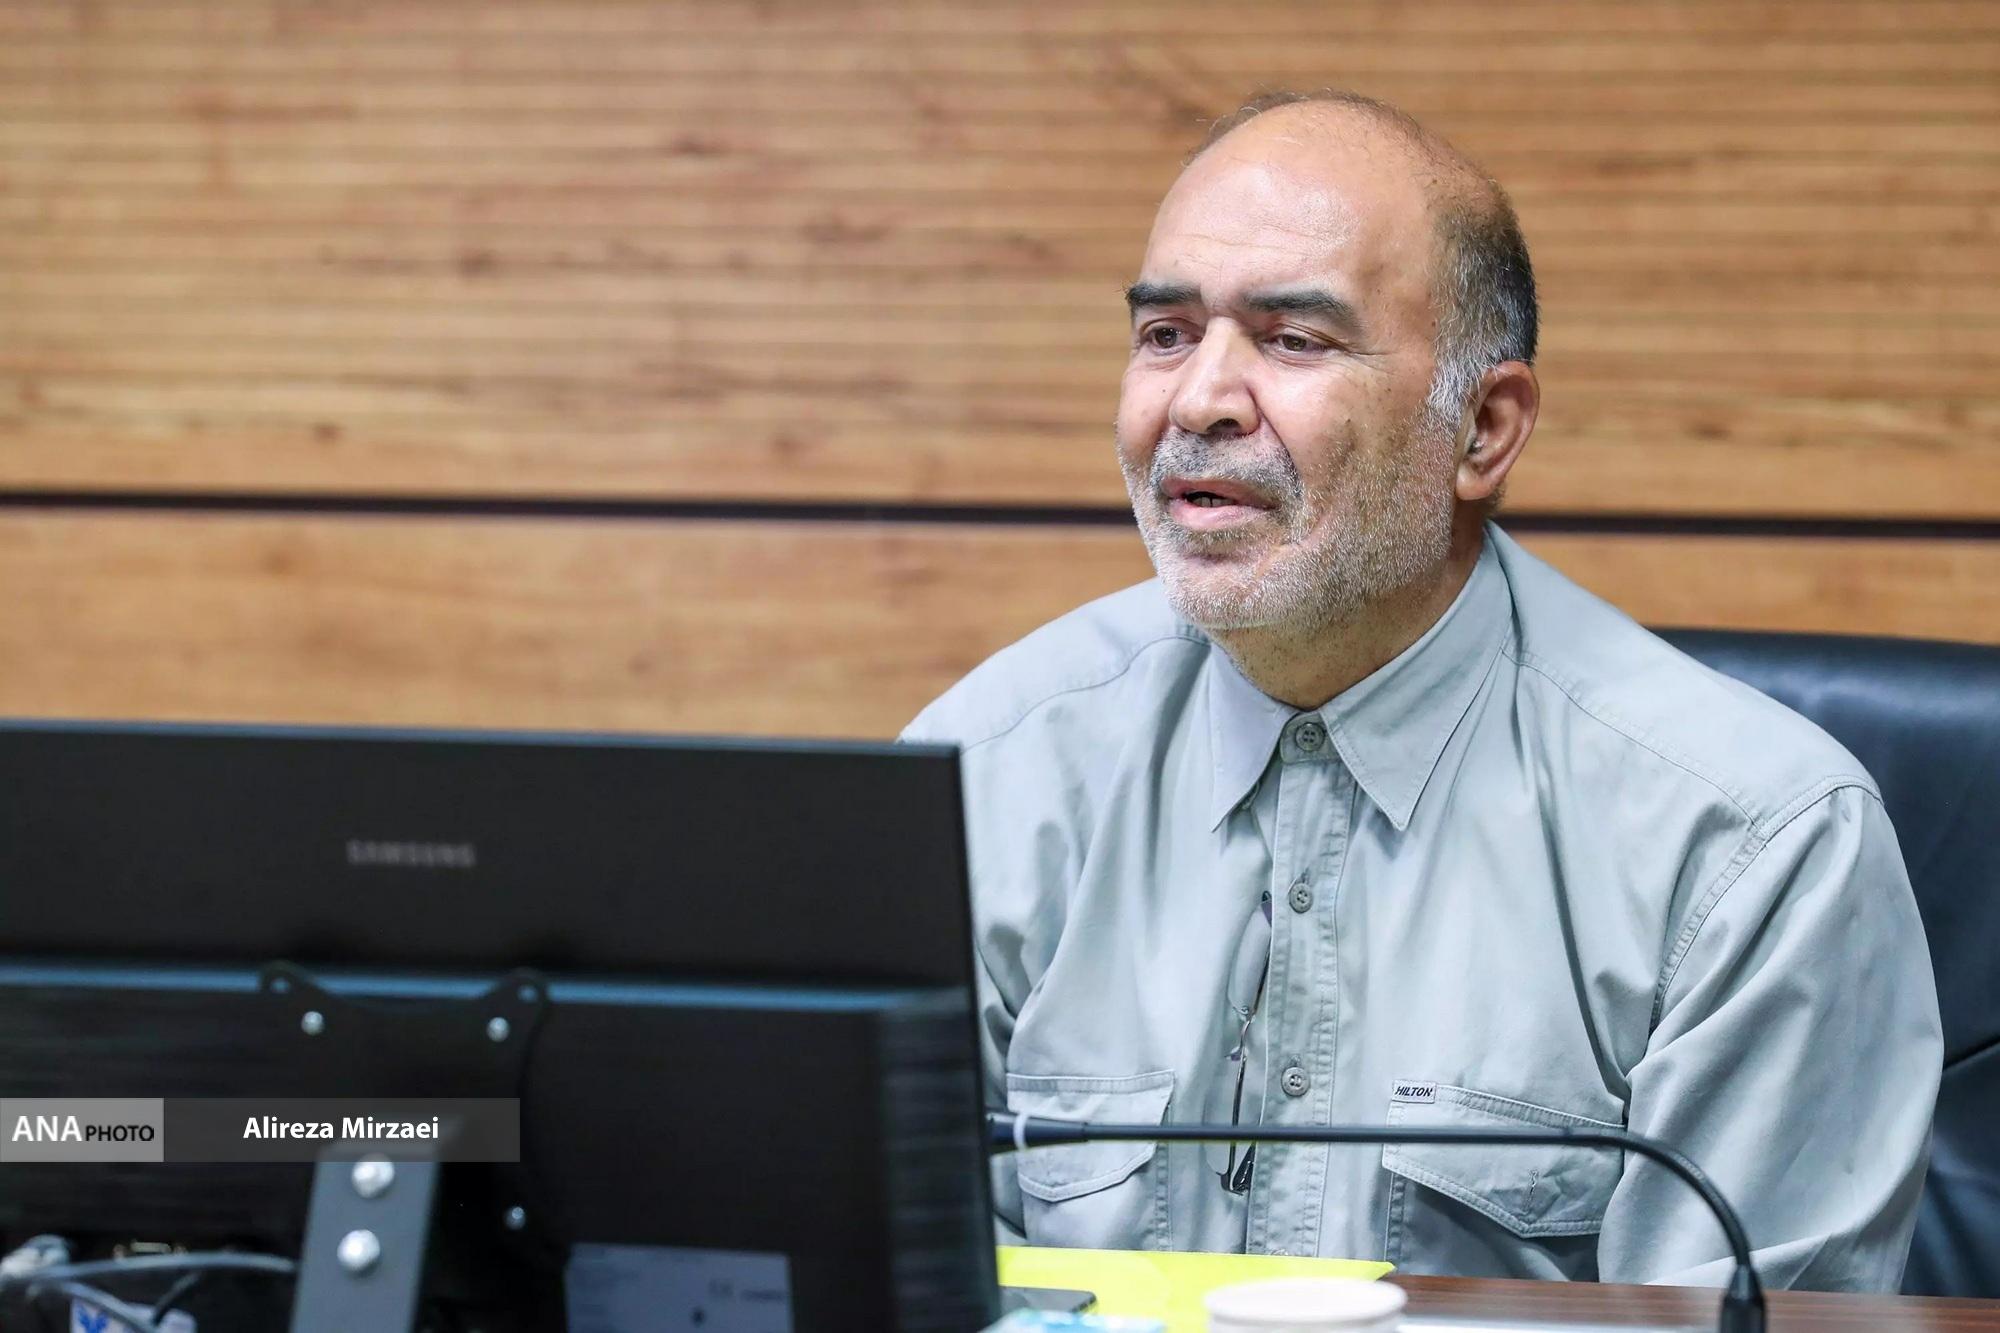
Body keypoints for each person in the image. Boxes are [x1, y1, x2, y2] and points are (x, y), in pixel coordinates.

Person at [902, 90, 1941, 1291]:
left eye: (1294, 340)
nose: (1196, 401)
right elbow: (877, 1277)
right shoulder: (978, 777)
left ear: (1482, 429)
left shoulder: (1749, 846)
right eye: (1166, 333)